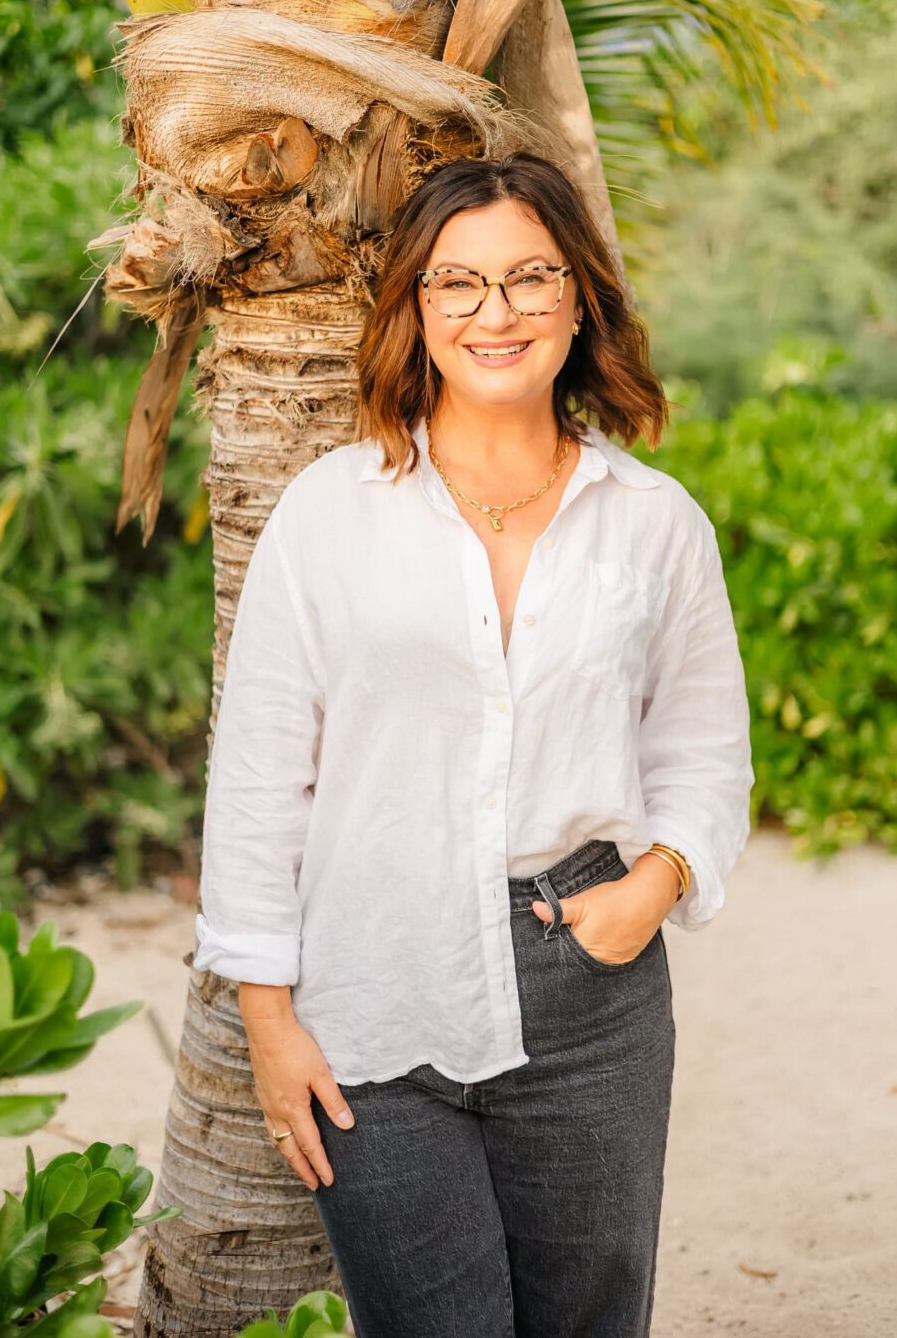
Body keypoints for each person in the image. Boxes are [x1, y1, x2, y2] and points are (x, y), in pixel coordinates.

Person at [193, 151, 754, 1338]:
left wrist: (648, 889)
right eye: (457, 284)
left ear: (578, 297)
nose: (494, 313)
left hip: (588, 984)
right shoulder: (330, 514)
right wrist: (266, 1020)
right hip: (370, 982)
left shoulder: (653, 523)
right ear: (413, 308)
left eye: (527, 277)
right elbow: (257, 777)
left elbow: (704, 748)